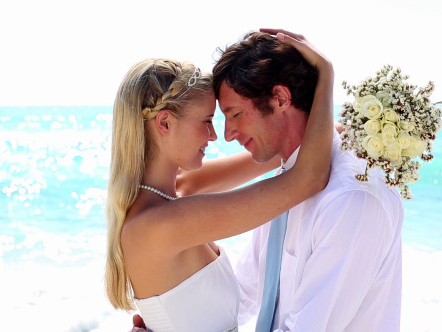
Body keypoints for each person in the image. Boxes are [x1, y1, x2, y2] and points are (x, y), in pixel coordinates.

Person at [107, 31, 334, 331]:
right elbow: (308, 178)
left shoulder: (173, 194)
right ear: (164, 123)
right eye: (206, 121)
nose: (216, 135)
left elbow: (278, 155)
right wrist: (325, 75)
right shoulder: (162, 224)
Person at [207, 29, 404, 331]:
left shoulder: (351, 197)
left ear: (280, 98)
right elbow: (244, 294)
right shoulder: (284, 182)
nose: (228, 134)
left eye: (234, 114)